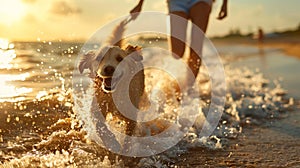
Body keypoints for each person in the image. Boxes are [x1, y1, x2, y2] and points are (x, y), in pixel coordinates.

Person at [130, 0, 228, 86]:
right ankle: (184, 77)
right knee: (177, 53)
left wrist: (224, 4)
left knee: (196, 47)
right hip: (177, 1)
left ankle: (189, 88)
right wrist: (140, 4)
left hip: (201, 2)